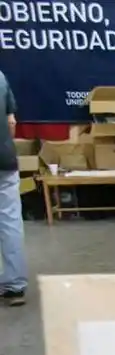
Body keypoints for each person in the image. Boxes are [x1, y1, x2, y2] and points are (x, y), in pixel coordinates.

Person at [0, 69, 25, 307]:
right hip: (4, 160)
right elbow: (11, 122)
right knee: (10, 222)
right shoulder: (0, 77)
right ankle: (15, 286)